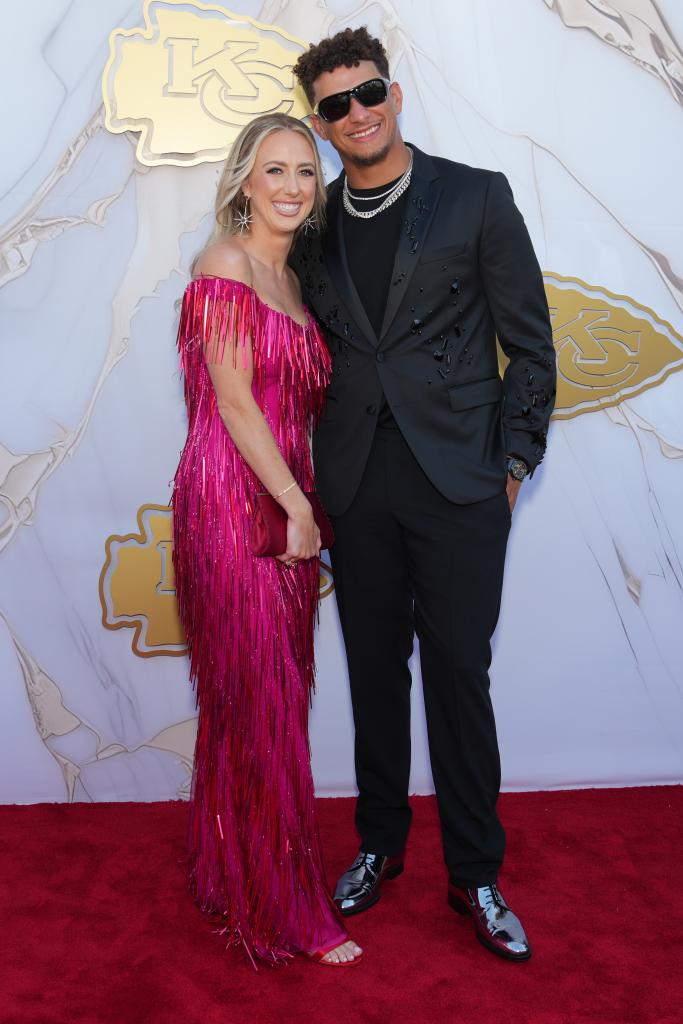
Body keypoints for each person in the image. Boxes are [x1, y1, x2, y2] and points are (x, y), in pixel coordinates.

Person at [291, 28, 557, 962]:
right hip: (356, 481)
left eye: (367, 93)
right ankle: (378, 844)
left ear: (393, 93)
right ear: (319, 123)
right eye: (334, 105)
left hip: (459, 480)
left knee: (458, 676)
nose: (355, 113)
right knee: (372, 672)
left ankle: (476, 874)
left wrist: (513, 465)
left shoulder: (475, 196)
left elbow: (530, 342)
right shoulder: (312, 226)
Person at [171, 113, 362, 967]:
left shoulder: (291, 279)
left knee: (260, 701)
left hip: (286, 501)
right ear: (245, 180)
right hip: (234, 499)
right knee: (262, 706)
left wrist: (301, 503)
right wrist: (297, 505)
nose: (290, 186)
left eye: (304, 174)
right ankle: (285, 910)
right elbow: (237, 401)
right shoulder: (225, 263)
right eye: (274, 170)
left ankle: (228, 870)